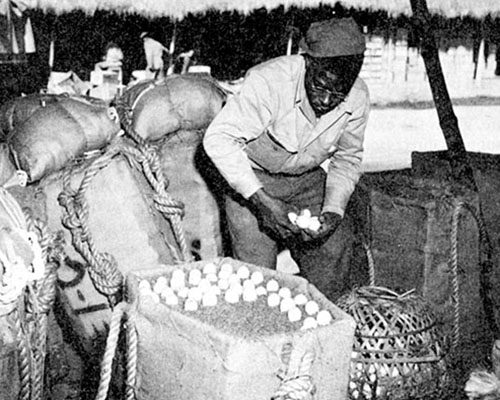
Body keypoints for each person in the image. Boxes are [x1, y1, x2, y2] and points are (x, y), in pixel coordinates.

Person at [203, 17, 370, 301]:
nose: (327, 101)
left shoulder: (357, 96)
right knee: (256, 280)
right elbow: (218, 139)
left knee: (335, 252)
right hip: (253, 180)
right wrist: (262, 202)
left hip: (307, 181)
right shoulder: (269, 81)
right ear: (307, 63)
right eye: (320, 86)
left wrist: (333, 208)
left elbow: (347, 158)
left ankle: (325, 329)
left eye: (338, 94)